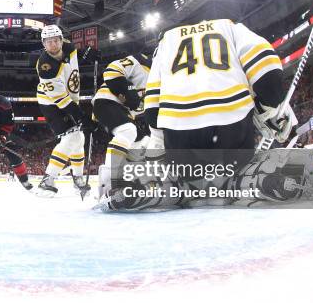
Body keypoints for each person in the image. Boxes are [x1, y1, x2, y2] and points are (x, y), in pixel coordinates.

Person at [103, 19, 299, 211]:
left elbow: (153, 110)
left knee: (179, 176)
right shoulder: (230, 27)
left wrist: (159, 144)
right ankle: (262, 181)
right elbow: (269, 75)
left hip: (182, 139)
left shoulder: (166, 42)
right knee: (237, 171)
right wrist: (269, 107)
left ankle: (145, 190)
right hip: (231, 131)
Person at [36, 24, 95, 195]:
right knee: (72, 137)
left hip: (69, 100)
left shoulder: (69, 47)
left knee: (79, 137)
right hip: (52, 104)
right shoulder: (46, 67)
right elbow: (62, 101)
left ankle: (77, 179)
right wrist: (83, 117)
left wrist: (86, 53)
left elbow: (74, 61)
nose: (52, 45)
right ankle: (48, 179)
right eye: (48, 42)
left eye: (55, 40)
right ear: (43, 44)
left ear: (62, 40)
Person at [92, 46, 155, 198]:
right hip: (107, 101)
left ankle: (132, 183)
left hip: (124, 112)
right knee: (128, 131)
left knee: (143, 142)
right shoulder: (141, 61)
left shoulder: (162, 80)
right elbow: (112, 70)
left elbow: (141, 108)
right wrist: (129, 90)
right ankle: (109, 180)